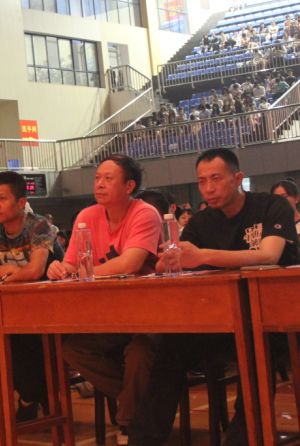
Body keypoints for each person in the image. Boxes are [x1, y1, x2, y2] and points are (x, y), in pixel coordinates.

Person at [128, 148, 299, 446]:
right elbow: (166, 264)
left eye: (216, 179)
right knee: (172, 346)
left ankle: (242, 439)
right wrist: (170, 259)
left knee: (255, 347)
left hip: (277, 320)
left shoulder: (271, 205)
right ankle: (143, 439)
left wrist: (203, 255)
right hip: (221, 319)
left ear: (238, 178)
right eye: (202, 181)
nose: (208, 188)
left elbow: (269, 255)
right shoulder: (201, 222)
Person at [48, 155, 163, 446]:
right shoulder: (87, 216)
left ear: (129, 186)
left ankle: (129, 423)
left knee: (139, 352)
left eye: (108, 178)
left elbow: (129, 264)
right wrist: (59, 269)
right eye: (97, 177)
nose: (99, 184)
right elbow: (72, 263)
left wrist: (81, 274)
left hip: (150, 312)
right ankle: (136, 400)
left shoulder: (145, 213)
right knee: (74, 349)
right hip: (109, 313)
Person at [0, 171, 59, 421]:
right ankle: (32, 393)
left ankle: (30, 397)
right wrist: (7, 270)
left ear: (21, 202)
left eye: (2, 198)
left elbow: (35, 271)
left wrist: (3, 279)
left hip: (50, 309)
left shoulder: (38, 224)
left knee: (22, 347)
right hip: (12, 310)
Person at [270, 179, 300, 245]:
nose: (280, 201)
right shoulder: (270, 225)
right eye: (276, 198)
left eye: (284, 196)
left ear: (296, 199)